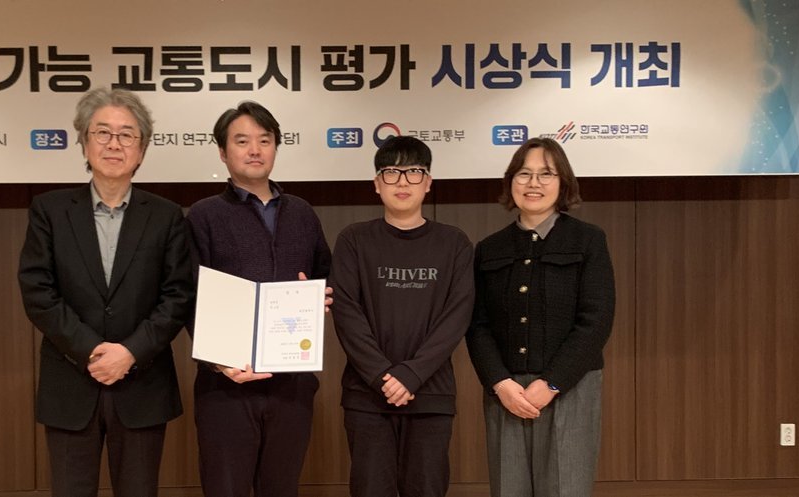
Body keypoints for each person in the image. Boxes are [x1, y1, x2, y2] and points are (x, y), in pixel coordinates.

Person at [17, 87, 194, 497]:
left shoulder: (166, 216)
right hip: (70, 382)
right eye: (103, 133)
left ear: (142, 149)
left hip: (142, 384)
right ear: (84, 141)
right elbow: (38, 292)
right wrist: (93, 351)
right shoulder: (50, 210)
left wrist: (129, 352)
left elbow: (177, 295)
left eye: (127, 134)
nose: (114, 144)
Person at [185, 101, 331, 497]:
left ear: (276, 147)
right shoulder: (203, 215)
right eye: (242, 141)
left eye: (264, 141)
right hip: (225, 385)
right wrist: (218, 361)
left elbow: (324, 274)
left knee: (282, 487)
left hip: (291, 384)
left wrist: (320, 296)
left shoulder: (302, 213)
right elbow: (188, 295)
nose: (255, 150)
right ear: (222, 152)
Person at [466, 137, 615, 497]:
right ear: (510, 182)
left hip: (570, 387)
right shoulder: (489, 248)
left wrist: (551, 384)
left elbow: (596, 319)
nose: (534, 183)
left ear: (563, 182)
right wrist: (499, 383)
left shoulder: (588, 240)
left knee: (565, 489)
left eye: (546, 174)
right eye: (524, 174)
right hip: (507, 393)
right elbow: (476, 325)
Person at [329, 135, 474, 497]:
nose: (403, 182)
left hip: (431, 395)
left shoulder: (454, 243)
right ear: (377, 184)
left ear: (428, 182)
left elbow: (457, 316)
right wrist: (382, 376)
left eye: (414, 172)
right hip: (367, 396)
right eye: (391, 173)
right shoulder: (354, 240)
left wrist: (411, 374)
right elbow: (346, 312)